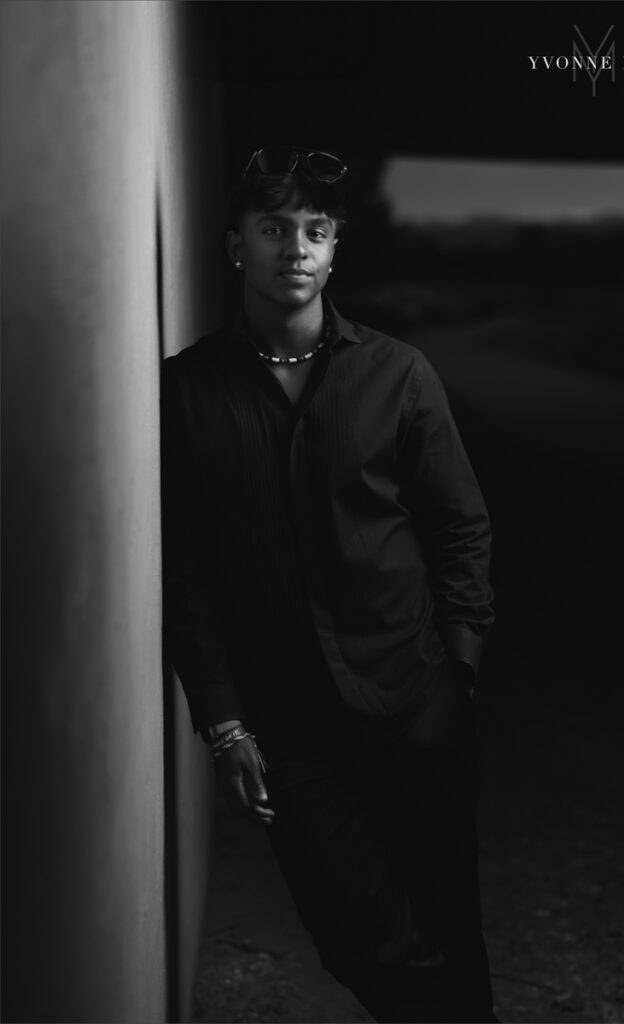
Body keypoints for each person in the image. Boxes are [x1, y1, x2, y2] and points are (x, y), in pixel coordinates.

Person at [161, 145, 498, 1024]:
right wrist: (222, 716)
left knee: (445, 918)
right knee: (352, 934)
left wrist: (456, 670)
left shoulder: (398, 374)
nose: (296, 248)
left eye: (315, 230)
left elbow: (458, 525)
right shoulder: (187, 392)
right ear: (235, 245)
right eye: (273, 228)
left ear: (336, 248)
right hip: (289, 724)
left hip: (413, 696)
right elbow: (185, 566)